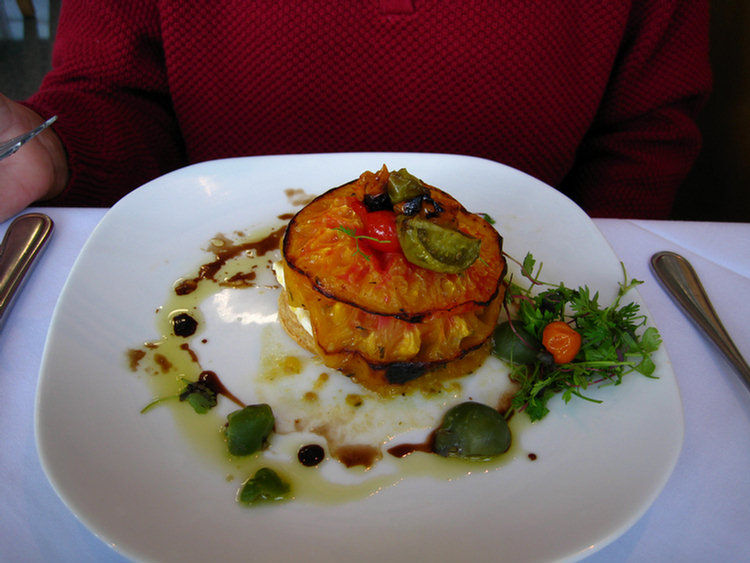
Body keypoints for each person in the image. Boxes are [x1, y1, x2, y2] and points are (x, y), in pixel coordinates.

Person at [0, 1, 711, 223]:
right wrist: (53, 152)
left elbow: (648, 129)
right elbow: (119, 93)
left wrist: (578, 268)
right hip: (219, 290)